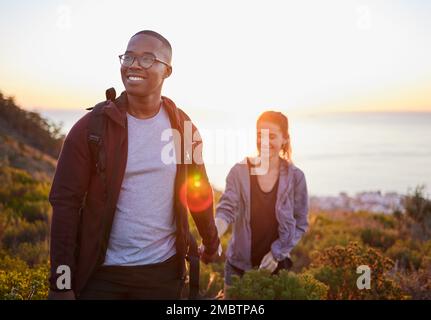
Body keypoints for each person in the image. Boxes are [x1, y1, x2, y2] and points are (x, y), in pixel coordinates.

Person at [48, 30, 220, 300]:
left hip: (163, 277)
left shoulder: (183, 129)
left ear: (167, 71)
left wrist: (211, 243)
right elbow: (64, 204)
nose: (134, 64)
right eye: (128, 56)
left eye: (148, 58)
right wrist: (61, 282)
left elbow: (198, 191)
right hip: (100, 276)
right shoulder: (91, 129)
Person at [215, 111, 309, 299]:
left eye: (272, 136)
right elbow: (226, 210)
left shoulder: (296, 177)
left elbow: (300, 224)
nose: (264, 141)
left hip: (276, 266)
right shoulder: (239, 171)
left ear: (284, 139)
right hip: (237, 266)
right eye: (260, 135)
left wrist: (277, 253)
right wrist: (212, 236)